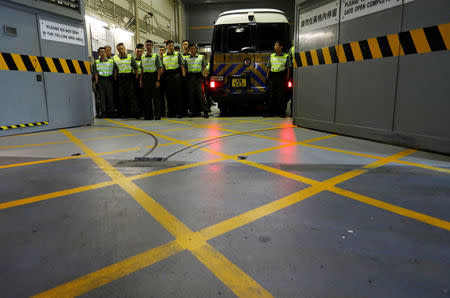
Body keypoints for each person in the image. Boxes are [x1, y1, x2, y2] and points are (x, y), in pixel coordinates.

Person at [264, 40, 291, 117]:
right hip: (272, 76)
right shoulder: (272, 56)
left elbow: (288, 68)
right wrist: (267, 77)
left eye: (276, 45)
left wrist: (287, 78)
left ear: (281, 47)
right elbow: (268, 67)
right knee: (271, 95)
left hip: (281, 76)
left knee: (281, 95)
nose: (275, 47)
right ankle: (270, 112)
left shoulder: (286, 56)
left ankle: (282, 112)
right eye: (275, 45)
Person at [113, 43, 139, 118]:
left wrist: (136, 79)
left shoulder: (130, 57)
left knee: (132, 96)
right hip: (121, 79)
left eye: (121, 48)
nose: (120, 50)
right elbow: (115, 70)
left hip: (129, 78)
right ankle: (125, 113)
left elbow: (136, 68)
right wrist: (115, 79)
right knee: (122, 97)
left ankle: (135, 112)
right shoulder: (115, 58)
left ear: (124, 48)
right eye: (118, 49)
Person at [184, 43, 209, 118]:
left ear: (196, 49)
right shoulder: (186, 58)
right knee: (191, 95)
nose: (192, 50)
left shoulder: (201, 57)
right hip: (190, 77)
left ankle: (205, 111)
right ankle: (193, 111)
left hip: (199, 77)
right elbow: (185, 69)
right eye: (191, 49)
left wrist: (205, 76)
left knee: (201, 94)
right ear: (189, 50)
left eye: (194, 48)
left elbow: (204, 67)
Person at [140, 40, 163, 120]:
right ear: (145, 47)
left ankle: (157, 115)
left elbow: (159, 69)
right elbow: (142, 69)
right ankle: (148, 115)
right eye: (147, 45)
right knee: (146, 98)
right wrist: (141, 80)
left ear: (152, 46)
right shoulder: (142, 57)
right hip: (145, 78)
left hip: (153, 77)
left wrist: (158, 80)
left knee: (156, 98)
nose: (148, 46)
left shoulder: (156, 56)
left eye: (150, 45)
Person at [162, 40, 185, 118]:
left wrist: (183, 76)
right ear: (166, 47)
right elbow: (163, 67)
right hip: (167, 77)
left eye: (172, 45)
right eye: (169, 45)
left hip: (176, 76)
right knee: (169, 96)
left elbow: (182, 66)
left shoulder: (178, 55)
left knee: (178, 95)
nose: (171, 47)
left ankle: (179, 113)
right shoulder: (163, 56)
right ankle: (171, 113)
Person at [93, 47, 114, 118]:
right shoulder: (96, 62)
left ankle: (111, 112)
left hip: (109, 80)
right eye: (101, 52)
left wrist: (114, 79)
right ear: (98, 53)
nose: (103, 53)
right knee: (102, 97)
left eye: (104, 51)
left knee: (110, 96)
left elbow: (115, 70)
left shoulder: (111, 61)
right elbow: (95, 72)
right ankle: (103, 112)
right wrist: (96, 82)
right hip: (101, 81)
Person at [134, 43, 145, 118]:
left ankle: (144, 111)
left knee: (144, 97)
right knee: (136, 96)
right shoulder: (132, 60)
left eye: (140, 51)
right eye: (137, 51)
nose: (139, 53)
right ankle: (137, 112)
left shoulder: (145, 59)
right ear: (135, 52)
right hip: (135, 79)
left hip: (144, 79)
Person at [158, 45, 167, 117]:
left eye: (163, 50)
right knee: (160, 96)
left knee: (167, 96)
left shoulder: (167, 59)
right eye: (160, 50)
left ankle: (167, 110)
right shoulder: (157, 59)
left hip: (166, 78)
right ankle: (161, 111)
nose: (161, 51)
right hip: (159, 79)